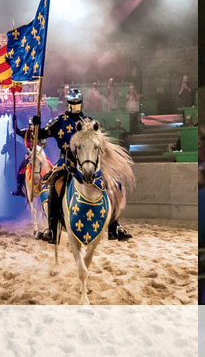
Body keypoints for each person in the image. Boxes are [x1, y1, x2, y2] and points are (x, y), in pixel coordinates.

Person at [30, 88, 133, 243]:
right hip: (66, 163)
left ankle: (114, 226)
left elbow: (99, 143)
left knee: (112, 185)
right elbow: (42, 134)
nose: (75, 106)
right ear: (68, 103)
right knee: (54, 189)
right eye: (72, 103)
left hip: (89, 162)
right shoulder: (59, 121)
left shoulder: (89, 123)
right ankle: (52, 229)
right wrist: (36, 126)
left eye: (77, 103)